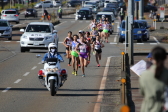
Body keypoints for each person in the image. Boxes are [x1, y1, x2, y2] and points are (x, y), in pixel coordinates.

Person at [139, 46, 168, 112]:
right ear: (165, 58)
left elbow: (142, 92)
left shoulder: (145, 74)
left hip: (148, 107)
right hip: (163, 107)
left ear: (153, 58)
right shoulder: (166, 74)